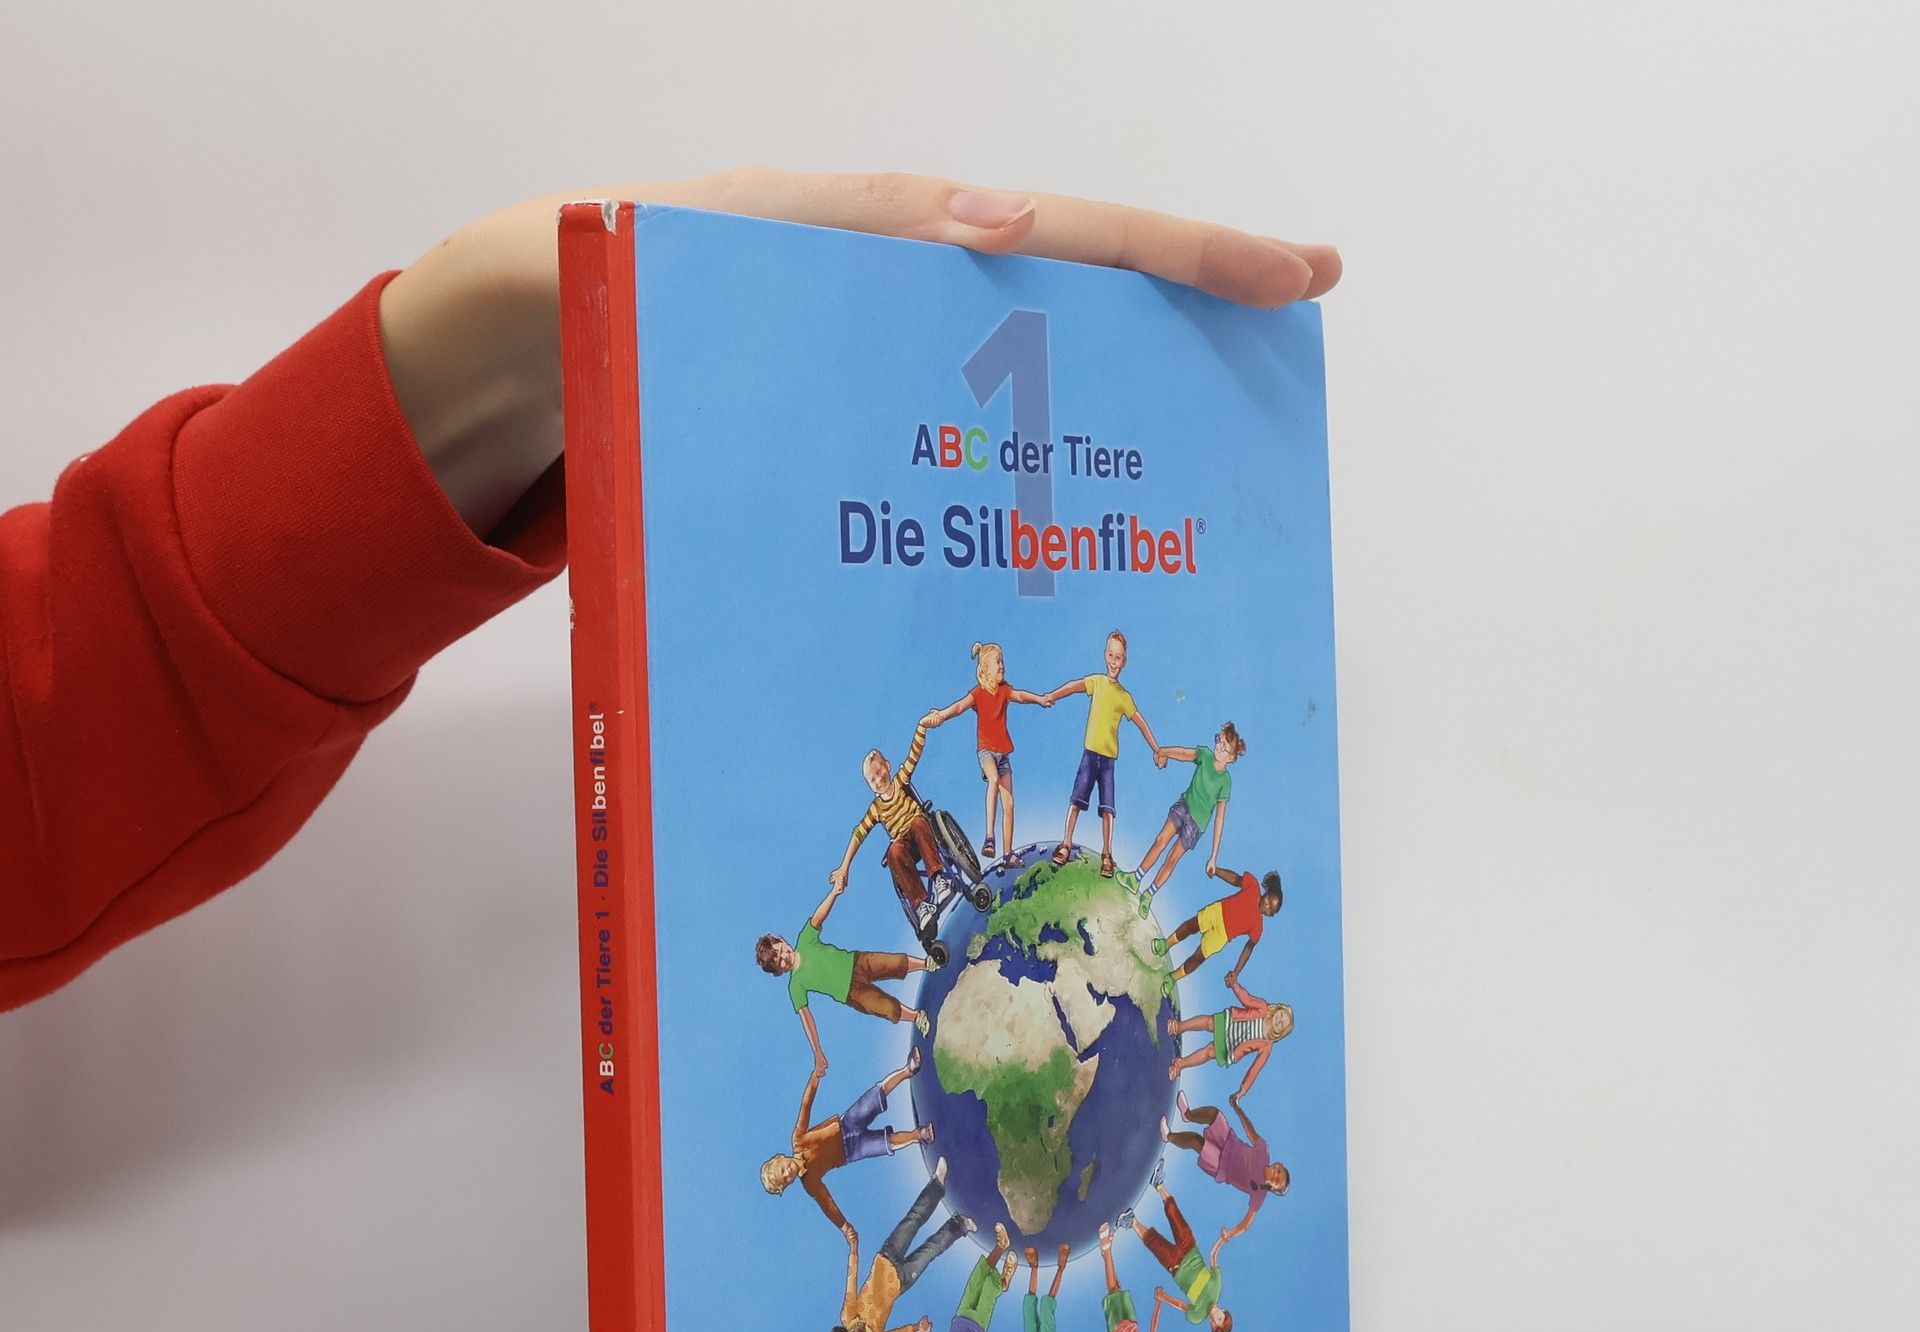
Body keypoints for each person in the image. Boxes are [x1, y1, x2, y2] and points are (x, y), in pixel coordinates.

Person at [1, 170, 1338, 1016]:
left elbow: (59, 730)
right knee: (955, 890)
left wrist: (463, 365)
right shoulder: (918, 819)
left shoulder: (1040, 728)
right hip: (969, 898)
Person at [755, 874, 929, 1071]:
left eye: (780, 951)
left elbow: (818, 916)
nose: (784, 958)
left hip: (857, 962)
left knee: (894, 963)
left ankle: (926, 963)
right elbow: (807, 1019)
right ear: (778, 972)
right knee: (887, 1008)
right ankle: (916, 1017)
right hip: (852, 993)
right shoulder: (795, 985)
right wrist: (817, 1051)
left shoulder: (805, 940)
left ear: (782, 941)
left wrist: (834, 892)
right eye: (779, 962)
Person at [825, 1158, 973, 1332]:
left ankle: (937, 1183)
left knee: (913, 1220)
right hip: (902, 1281)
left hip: (886, 1257)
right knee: (932, 1250)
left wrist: (853, 1250)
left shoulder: (848, 1315)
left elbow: (851, 1280)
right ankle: (960, 1225)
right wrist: (918, 1330)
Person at [760, 1052, 932, 1245]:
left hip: (847, 1124)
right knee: (886, 1144)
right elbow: (828, 1204)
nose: (788, 1173)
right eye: (785, 1180)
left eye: (783, 1169)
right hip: (852, 1150)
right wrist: (845, 1227)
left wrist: (815, 1076)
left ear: (780, 1157)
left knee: (876, 1096)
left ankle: (907, 1070)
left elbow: (806, 1106)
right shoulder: (810, 1182)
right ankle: (919, 1135)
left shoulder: (798, 1140)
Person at [1040, 631, 1166, 878]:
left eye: (1118, 657)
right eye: (1110, 655)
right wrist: (1052, 695)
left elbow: (1140, 722)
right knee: (1076, 801)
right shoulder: (1097, 682)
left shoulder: (1124, 697)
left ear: (1124, 661)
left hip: (1107, 762)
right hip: (1089, 756)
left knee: (1108, 809)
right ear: (1104, 655)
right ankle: (1066, 844)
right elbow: (1073, 686)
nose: (1113, 661)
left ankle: (1107, 853)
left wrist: (1157, 749)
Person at [920, 642, 1048, 859]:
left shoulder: (1004, 690)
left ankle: (1008, 854)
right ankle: (990, 837)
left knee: (1009, 805)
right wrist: (941, 715)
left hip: (1003, 754)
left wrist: (1039, 699)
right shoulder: (978, 694)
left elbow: (1020, 696)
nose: (1002, 666)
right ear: (986, 670)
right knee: (993, 780)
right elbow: (959, 707)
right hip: (986, 751)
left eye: (1002, 662)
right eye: (998, 662)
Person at [830, 724, 946, 930]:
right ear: (870, 786)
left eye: (879, 771)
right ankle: (921, 906)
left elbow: (915, 753)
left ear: (888, 765)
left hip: (921, 831)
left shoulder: (900, 780)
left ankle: (939, 880)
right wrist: (844, 867)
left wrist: (923, 726)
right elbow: (858, 834)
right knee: (894, 851)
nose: (879, 779)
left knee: (917, 823)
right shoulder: (876, 808)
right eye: (872, 779)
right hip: (905, 847)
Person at [1163, 1090, 1289, 1259]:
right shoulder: (1264, 1151)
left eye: (1276, 1181)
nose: (1274, 1175)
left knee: (1195, 1141)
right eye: (1279, 1171)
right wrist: (1237, 1108)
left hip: (1220, 1165)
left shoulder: (1259, 1193)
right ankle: (1188, 1114)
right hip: (1228, 1140)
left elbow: (1245, 1224)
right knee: (1214, 1114)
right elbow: (1250, 1131)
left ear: (1272, 1188)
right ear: (1279, 1165)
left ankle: (1168, 1136)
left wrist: (1230, 1233)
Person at [1132, 724, 1245, 906]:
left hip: (1196, 825)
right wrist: (1163, 751)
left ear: (1231, 757)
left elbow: (1220, 818)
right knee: (1161, 840)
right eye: (1219, 740)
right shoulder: (1205, 755)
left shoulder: (1225, 782)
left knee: (1172, 858)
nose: (1218, 746)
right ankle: (1135, 878)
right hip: (1184, 806)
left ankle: (1148, 895)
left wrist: (1214, 856)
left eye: (1224, 746)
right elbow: (1184, 754)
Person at [1122, 1172, 1231, 1332]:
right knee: (1175, 1216)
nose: (1214, 1320)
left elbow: (1181, 1305)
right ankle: (1159, 1185)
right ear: (1224, 1312)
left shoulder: (1197, 1316)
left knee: (1154, 1243)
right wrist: (1222, 1240)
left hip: (1175, 1265)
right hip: (1190, 1247)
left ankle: (1132, 1221)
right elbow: (1212, 1256)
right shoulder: (1217, 1286)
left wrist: (1164, 1297)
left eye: (1213, 1326)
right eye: (1219, 1319)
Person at [1169, 980, 1294, 1097]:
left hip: (1232, 1045)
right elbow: (1247, 999)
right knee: (1209, 1022)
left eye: (1282, 1024)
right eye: (1281, 1015)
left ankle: (1180, 1064)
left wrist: (1243, 1090)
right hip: (1231, 1021)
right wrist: (1235, 985)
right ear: (1277, 1009)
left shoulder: (1267, 1046)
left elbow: (1255, 1069)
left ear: (1281, 1032)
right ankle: (1179, 1027)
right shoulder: (1263, 1007)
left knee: (1209, 1052)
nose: (1279, 1020)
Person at [1162, 867, 1283, 985]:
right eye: (1268, 901)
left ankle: (1172, 978)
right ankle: (1166, 944)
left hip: (1222, 935)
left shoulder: (1258, 927)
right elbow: (1234, 878)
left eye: (1271, 910)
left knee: (1199, 957)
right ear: (1266, 893)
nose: (1267, 907)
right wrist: (1216, 871)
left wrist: (1236, 972)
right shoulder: (1253, 886)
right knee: (1191, 926)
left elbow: (1248, 949)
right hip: (1217, 911)